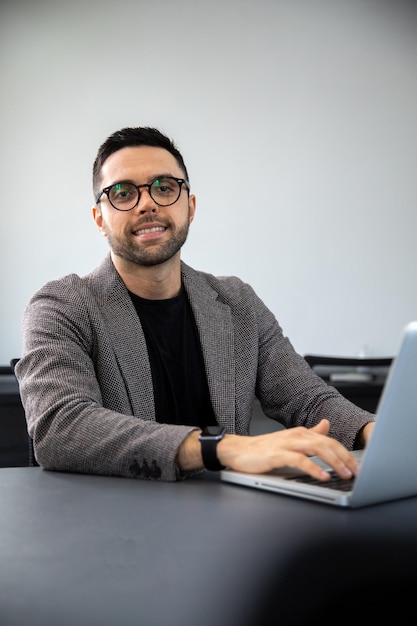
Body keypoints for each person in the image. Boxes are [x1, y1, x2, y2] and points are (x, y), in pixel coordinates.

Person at [16, 126, 375, 482]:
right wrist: (219, 448)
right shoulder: (60, 306)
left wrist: (375, 433)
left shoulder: (237, 302)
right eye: (123, 193)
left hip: (229, 520)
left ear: (190, 206)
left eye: (164, 187)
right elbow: (60, 427)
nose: (148, 203)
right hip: (116, 523)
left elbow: (307, 399)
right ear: (100, 220)